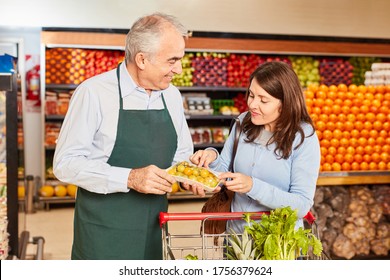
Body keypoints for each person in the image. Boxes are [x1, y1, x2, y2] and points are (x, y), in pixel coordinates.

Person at [53, 13, 197, 260]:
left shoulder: (171, 95)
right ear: (142, 59)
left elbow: (181, 154)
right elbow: (65, 164)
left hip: (155, 228)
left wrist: (190, 173)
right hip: (104, 234)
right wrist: (130, 177)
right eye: (172, 60)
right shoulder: (94, 93)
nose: (178, 69)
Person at [189, 61, 321, 233]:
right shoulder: (243, 123)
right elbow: (224, 174)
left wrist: (253, 186)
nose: (252, 105)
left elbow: (302, 204)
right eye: (251, 95)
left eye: (263, 100)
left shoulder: (303, 137)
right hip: (236, 240)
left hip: (278, 245)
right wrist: (211, 158)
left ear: (286, 103)